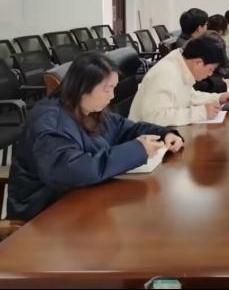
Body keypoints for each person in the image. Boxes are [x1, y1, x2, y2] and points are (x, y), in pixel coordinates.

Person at [7, 52, 184, 221]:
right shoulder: (49, 122)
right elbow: (73, 170)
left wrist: (164, 133)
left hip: (78, 200)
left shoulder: (89, 109)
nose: (112, 96)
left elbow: (125, 128)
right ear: (83, 88)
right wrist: (138, 150)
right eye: (107, 90)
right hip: (43, 212)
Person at [129, 35, 229, 126]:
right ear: (198, 63)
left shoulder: (181, 65)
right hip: (145, 138)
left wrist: (218, 98)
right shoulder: (166, 73)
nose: (210, 74)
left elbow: (189, 96)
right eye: (211, 69)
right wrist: (201, 112)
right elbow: (154, 117)